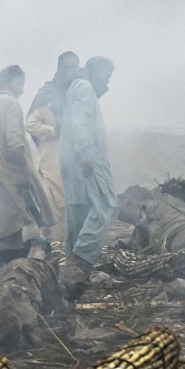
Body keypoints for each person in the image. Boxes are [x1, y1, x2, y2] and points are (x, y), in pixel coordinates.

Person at [0, 66, 55, 270]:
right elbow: (14, 143)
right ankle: (26, 267)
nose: (23, 90)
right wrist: (23, 175)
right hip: (12, 173)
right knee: (28, 217)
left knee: (1, 222)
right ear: (11, 82)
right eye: (21, 84)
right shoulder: (12, 103)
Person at [59, 56, 117, 271]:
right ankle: (80, 257)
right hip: (86, 157)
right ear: (97, 70)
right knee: (103, 205)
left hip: (71, 157)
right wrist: (86, 154)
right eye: (107, 76)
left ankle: (72, 263)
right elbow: (79, 121)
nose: (108, 82)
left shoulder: (75, 87)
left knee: (78, 208)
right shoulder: (84, 87)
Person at [25, 52, 80, 242]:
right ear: (59, 69)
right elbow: (30, 124)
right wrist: (55, 131)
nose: (71, 71)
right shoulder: (48, 94)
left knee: (74, 204)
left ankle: (71, 247)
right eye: (67, 67)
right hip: (51, 161)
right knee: (53, 204)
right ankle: (55, 247)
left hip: (75, 161)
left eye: (75, 67)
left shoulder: (80, 92)